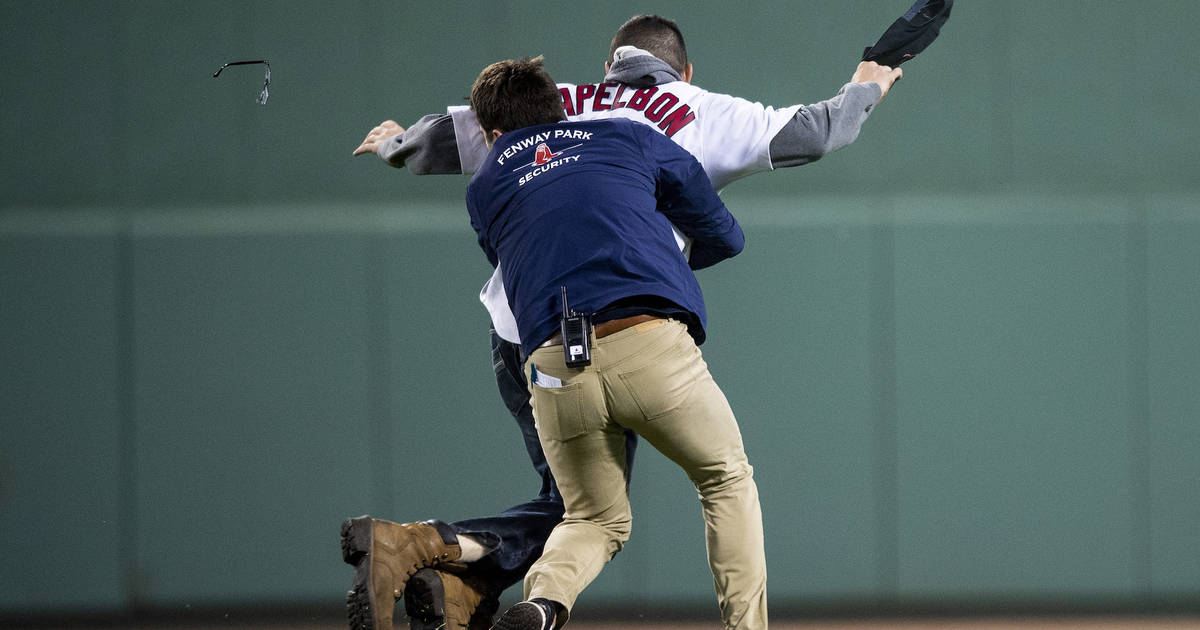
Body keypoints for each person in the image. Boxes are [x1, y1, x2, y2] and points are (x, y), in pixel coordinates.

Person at [344, 15, 902, 630]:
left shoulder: (551, 110)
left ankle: (488, 587)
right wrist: (867, 83)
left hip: (533, 342)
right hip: (641, 329)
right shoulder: (693, 114)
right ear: (684, 72)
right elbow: (819, 132)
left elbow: (460, 136)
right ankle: (452, 561)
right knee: (721, 480)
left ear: (606, 66)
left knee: (584, 513)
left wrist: (400, 143)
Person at [463, 55, 756, 630]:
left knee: (592, 518)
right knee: (725, 480)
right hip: (646, 341)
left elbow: (520, 260)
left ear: (494, 135)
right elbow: (723, 230)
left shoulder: (486, 184)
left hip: (551, 365)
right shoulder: (625, 135)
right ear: (558, 105)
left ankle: (543, 604)